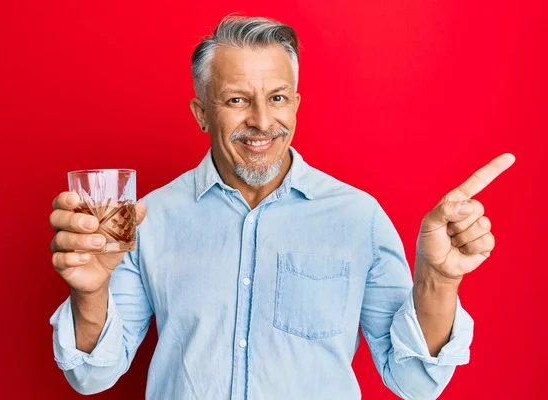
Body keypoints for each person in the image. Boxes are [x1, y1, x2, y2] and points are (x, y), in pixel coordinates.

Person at [49, 16, 514, 399]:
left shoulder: (359, 217)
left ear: (296, 103)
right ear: (201, 114)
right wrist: (89, 293)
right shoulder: (150, 218)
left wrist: (439, 278)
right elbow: (93, 376)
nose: (262, 122)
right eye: (236, 100)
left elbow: (416, 381)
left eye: (277, 98)